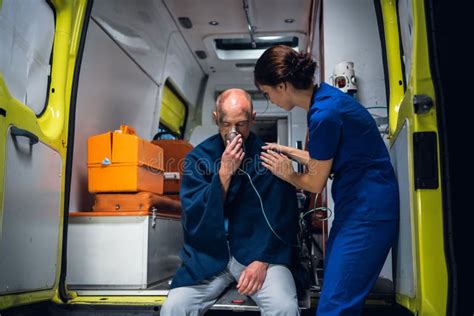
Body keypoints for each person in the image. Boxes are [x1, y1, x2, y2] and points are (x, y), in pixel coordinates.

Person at [254, 45, 399, 315]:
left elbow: (315, 183)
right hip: (357, 206)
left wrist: (287, 172)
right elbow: (326, 159)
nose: (269, 99)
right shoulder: (325, 99)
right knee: (335, 298)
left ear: (283, 85)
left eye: (267, 93)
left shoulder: (324, 114)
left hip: (367, 211)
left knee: (334, 307)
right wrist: (288, 151)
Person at [160, 88, 301, 316]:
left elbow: (284, 218)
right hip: (209, 256)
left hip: (258, 255)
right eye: (226, 125)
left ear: (253, 119)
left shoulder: (270, 159)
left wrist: (263, 261)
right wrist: (225, 173)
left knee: (283, 306)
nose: (233, 132)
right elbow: (193, 216)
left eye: (242, 124)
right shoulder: (198, 159)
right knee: (174, 307)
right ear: (216, 118)